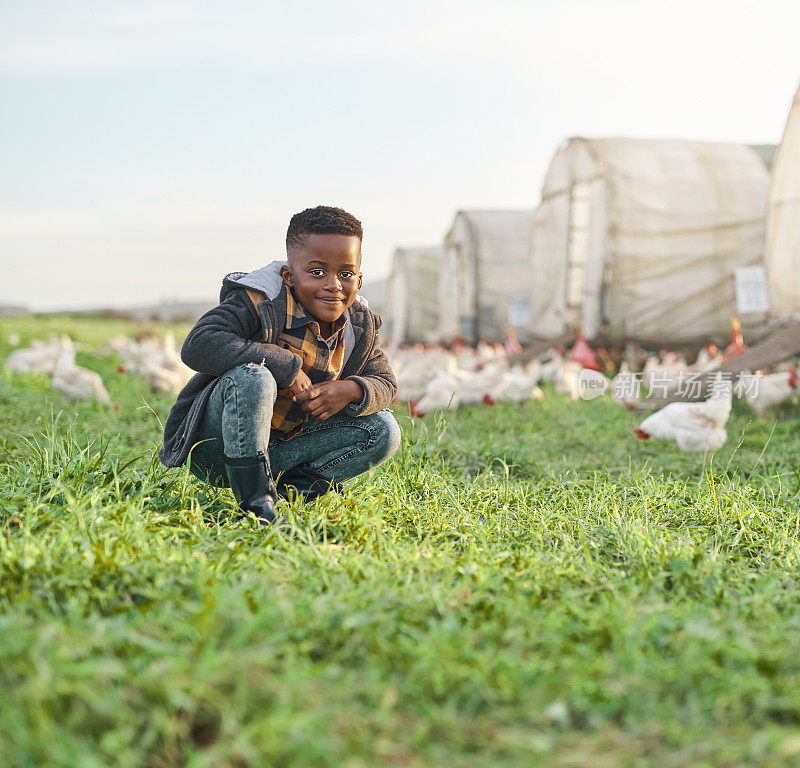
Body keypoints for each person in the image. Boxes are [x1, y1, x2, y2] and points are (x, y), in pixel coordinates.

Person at [159, 206, 400, 528]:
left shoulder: (359, 325)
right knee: (254, 375)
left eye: (346, 273)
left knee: (384, 430)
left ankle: (290, 492)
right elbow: (199, 345)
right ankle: (257, 503)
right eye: (317, 272)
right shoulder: (259, 302)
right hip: (220, 450)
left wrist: (352, 389)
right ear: (289, 275)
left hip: (285, 450)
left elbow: (385, 381)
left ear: (359, 278)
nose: (333, 285)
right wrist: (284, 364)